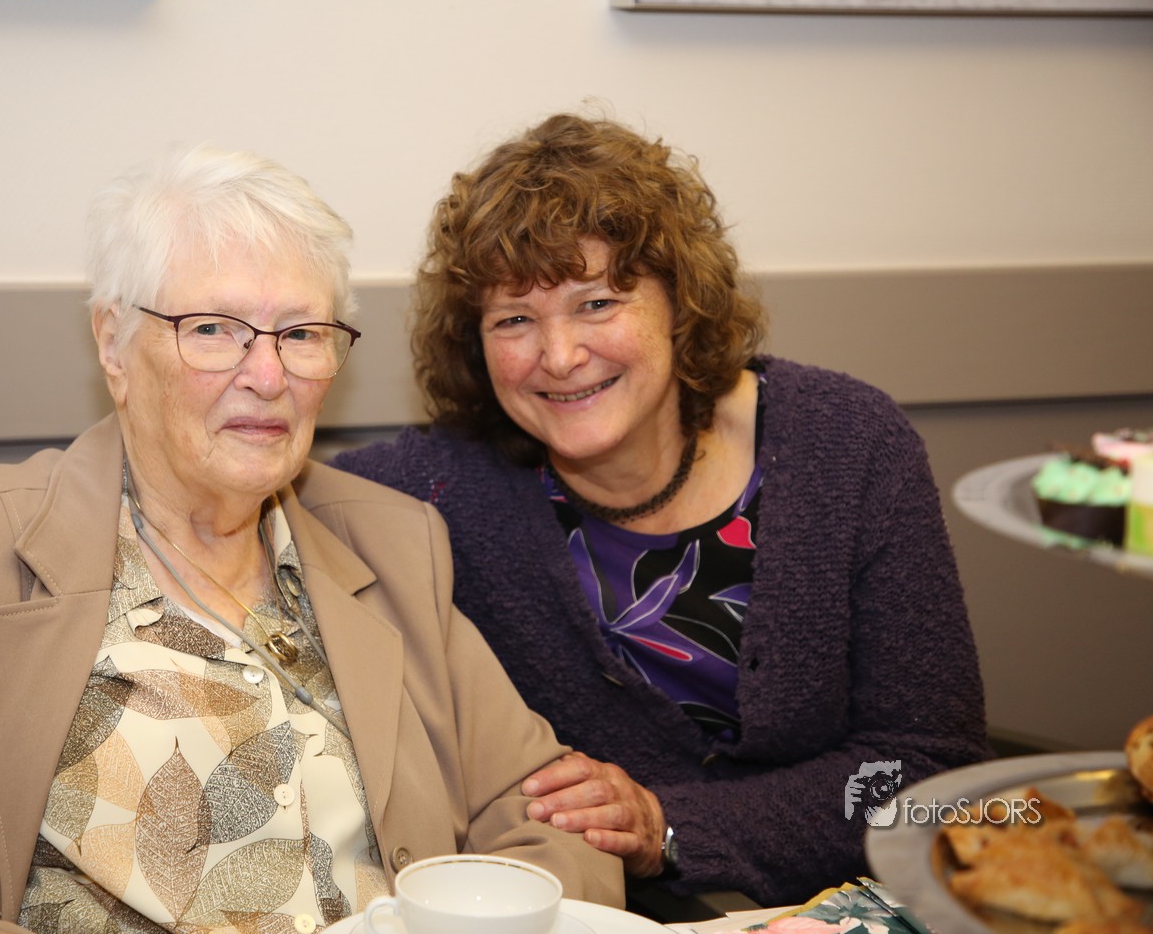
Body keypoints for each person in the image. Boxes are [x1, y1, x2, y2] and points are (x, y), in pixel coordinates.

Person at [0, 145, 622, 934]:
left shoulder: (393, 541)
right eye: (212, 330)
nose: (268, 375)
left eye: (302, 334)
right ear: (113, 344)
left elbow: (548, 820)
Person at [331, 113, 990, 906]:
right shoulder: (437, 488)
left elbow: (930, 767)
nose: (560, 356)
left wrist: (667, 824)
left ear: (680, 302)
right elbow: (271, 504)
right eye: (515, 319)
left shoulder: (846, 444)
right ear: (476, 343)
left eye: (598, 302)